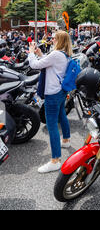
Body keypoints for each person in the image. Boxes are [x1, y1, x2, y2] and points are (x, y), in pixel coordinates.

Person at [28, 30, 72, 173]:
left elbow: (35, 65)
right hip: (60, 91)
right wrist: (40, 54)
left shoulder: (55, 54)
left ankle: (55, 160)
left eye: (54, 38)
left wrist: (31, 52)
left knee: (52, 125)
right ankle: (66, 140)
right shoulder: (64, 54)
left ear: (59, 40)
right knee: (62, 116)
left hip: (52, 93)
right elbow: (50, 63)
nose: (52, 40)